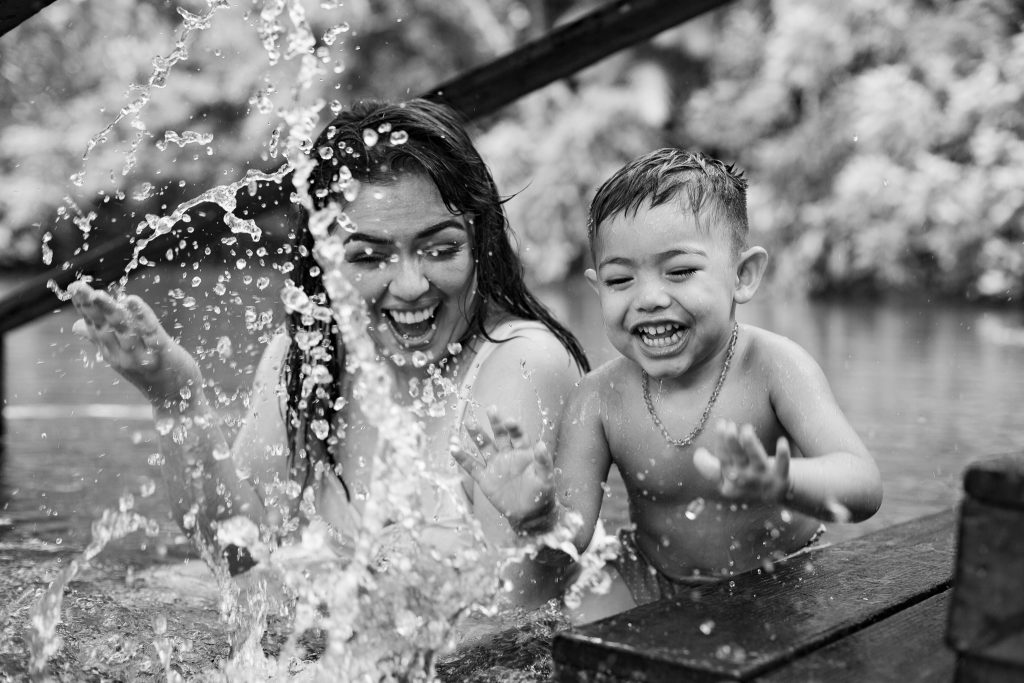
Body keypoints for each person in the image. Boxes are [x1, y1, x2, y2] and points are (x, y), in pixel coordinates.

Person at [68, 98, 589, 606]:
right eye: (368, 256)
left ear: (481, 242)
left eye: (441, 249)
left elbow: (514, 617)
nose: (410, 285)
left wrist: (534, 528)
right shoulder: (306, 359)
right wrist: (176, 398)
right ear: (324, 261)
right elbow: (236, 552)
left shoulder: (519, 363)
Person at [453, 148, 883, 622]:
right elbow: (573, 534)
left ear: (743, 276)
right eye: (621, 280)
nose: (650, 298)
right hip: (648, 575)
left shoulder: (774, 366)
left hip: (780, 574)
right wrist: (537, 517)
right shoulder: (598, 398)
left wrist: (785, 482)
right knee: (571, 623)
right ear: (598, 289)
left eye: (680, 271)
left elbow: (863, 486)